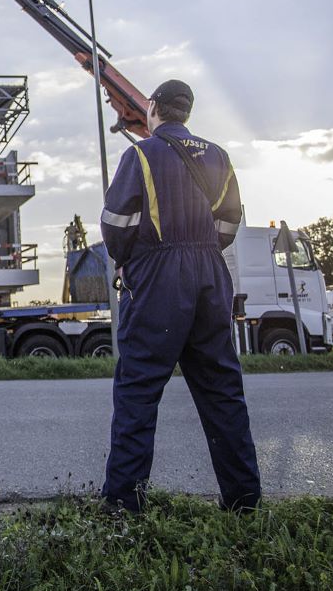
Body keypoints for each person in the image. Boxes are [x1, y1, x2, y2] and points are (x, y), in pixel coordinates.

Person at [99, 79, 260, 513]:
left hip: (157, 276)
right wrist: (203, 250)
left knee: (138, 391)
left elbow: (116, 223)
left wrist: (131, 259)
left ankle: (123, 507)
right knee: (223, 393)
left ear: (152, 108)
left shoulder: (141, 154)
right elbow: (230, 222)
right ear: (187, 113)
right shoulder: (219, 157)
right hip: (209, 272)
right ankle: (244, 503)